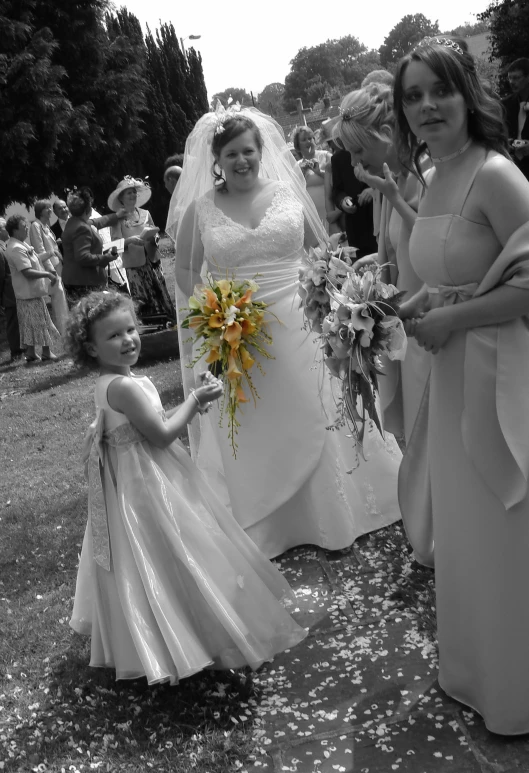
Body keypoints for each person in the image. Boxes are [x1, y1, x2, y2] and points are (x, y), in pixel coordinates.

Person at [169, 106, 402, 559]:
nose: (242, 161)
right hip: (237, 331)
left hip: (301, 321)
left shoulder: (288, 195)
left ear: (261, 152)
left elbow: (321, 254)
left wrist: (335, 292)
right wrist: (214, 308)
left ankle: (333, 511)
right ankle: (268, 519)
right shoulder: (201, 209)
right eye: (232, 153)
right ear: (216, 158)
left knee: (313, 406)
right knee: (257, 418)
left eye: (249, 151)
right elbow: (183, 268)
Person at [65, 290, 307, 683]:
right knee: (175, 552)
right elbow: (160, 435)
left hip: (139, 478)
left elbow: (149, 425)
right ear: (90, 348)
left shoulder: (114, 382)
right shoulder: (124, 387)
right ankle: (190, 630)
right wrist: (194, 400)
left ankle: (176, 628)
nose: (128, 339)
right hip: (147, 486)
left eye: (130, 329)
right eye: (113, 336)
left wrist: (193, 400)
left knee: (159, 559)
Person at [394, 35, 529, 735]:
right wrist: (419, 305)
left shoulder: (496, 175)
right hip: (447, 377)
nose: (425, 106)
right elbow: (454, 274)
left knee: (503, 526)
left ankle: (514, 686)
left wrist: (453, 322)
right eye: (411, 96)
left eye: (437, 90)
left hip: (499, 374)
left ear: (466, 92)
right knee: (466, 528)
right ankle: (471, 667)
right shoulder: (432, 175)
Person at [333, 83, 430, 444]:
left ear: (387, 133)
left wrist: (389, 194)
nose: (356, 163)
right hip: (403, 318)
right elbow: (395, 245)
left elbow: (433, 240)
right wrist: (373, 265)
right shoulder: (393, 176)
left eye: (359, 150)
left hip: (428, 315)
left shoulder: (424, 171)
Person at [109, 177, 176, 324]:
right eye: (128, 193)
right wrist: (131, 241)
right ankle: (151, 328)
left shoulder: (145, 213)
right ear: (121, 197)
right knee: (143, 300)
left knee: (161, 294)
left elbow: (155, 232)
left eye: (134, 192)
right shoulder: (117, 219)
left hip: (153, 262)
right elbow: (114, 246)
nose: (133, 195)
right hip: (134, 267)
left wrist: (155, 238)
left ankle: (169, 323)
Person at [4, 215, 59, 362]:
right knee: (39, 323)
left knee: (33, 324)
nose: (27, 228)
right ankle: (46, 353)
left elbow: (34, 259)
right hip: (28, 294)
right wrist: (47, 273)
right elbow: (27, 272)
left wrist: (50, 253)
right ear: (15, 230)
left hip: (30, 293)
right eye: (24, 226)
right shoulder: (16, 248)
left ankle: (31, 353)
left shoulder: (21, 244)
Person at [62, 187, 123, 307]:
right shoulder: (82, 228)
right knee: (91, 317)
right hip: (85, 281)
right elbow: (83, 257)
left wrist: (116, 216)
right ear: (87, 210)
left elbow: (98, 222)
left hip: (74, 279)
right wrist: (106, 258)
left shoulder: (73, 222)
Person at [29, 199, 69, 334]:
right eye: (47, 208)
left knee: (63, 298)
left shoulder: (46, 226)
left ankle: (67, 329)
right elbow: (39, 250)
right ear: (40, 211)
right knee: (59, 301)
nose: (50, 210)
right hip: (51, 268)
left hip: (58, 266)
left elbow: (51, 246)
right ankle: (64, 332)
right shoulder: (35, 226)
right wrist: (50, 269)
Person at [292, 125, 331, 228]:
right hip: (311, 215)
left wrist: (319, 172)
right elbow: (295, 193)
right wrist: (302, 175)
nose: (308, 141)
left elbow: (337, 180)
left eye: (310, 138)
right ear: (298, 146)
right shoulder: (297, 166)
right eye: (304, 140)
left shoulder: (326, 156)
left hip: (329, 209)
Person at [502, 58, 529, 180]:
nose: (512, 82)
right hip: (514, 164)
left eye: (516, 78)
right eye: (510, 78)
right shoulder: (506, 104)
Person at [0, 218, 23, 362]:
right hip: (8, 293)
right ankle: (16, 352)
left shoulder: (4, 246)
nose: (7, 230)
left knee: (18, 320)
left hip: (14, 290)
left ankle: (22, 348)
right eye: (4, 228)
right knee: (13, 322)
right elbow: (1, 275)